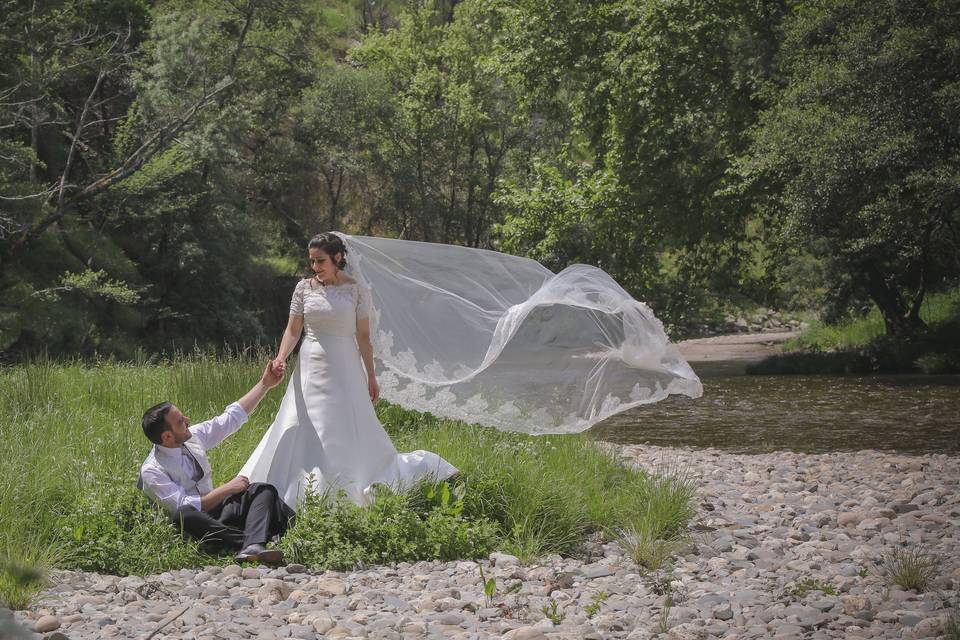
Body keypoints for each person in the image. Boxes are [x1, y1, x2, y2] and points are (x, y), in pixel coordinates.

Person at [239, 232, 458, 508]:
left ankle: (349, 485)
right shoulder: (303, 288)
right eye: (312, 261)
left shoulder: (357, 289)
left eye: (320, 261)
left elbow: (363, 337)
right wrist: (281, 356)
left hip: (345, 364)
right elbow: (293, 330)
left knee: (345, 425)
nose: (315, 267)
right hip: (310, 362)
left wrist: (371, 376)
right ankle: (295, 490)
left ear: (338, 258)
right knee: (302, 423)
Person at [139, 362, 295, 564]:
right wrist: (227, 488)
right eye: (180, 421)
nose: (187, 420)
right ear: (167, 437)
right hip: (198, 524)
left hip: (220, 511)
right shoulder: (151, 470)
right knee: (182, 515)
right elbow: (184, 505)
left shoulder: (192, 436)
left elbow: (230, 419)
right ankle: (251, 540)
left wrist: (264, 384)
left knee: (262, 490)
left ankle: (252, 545)